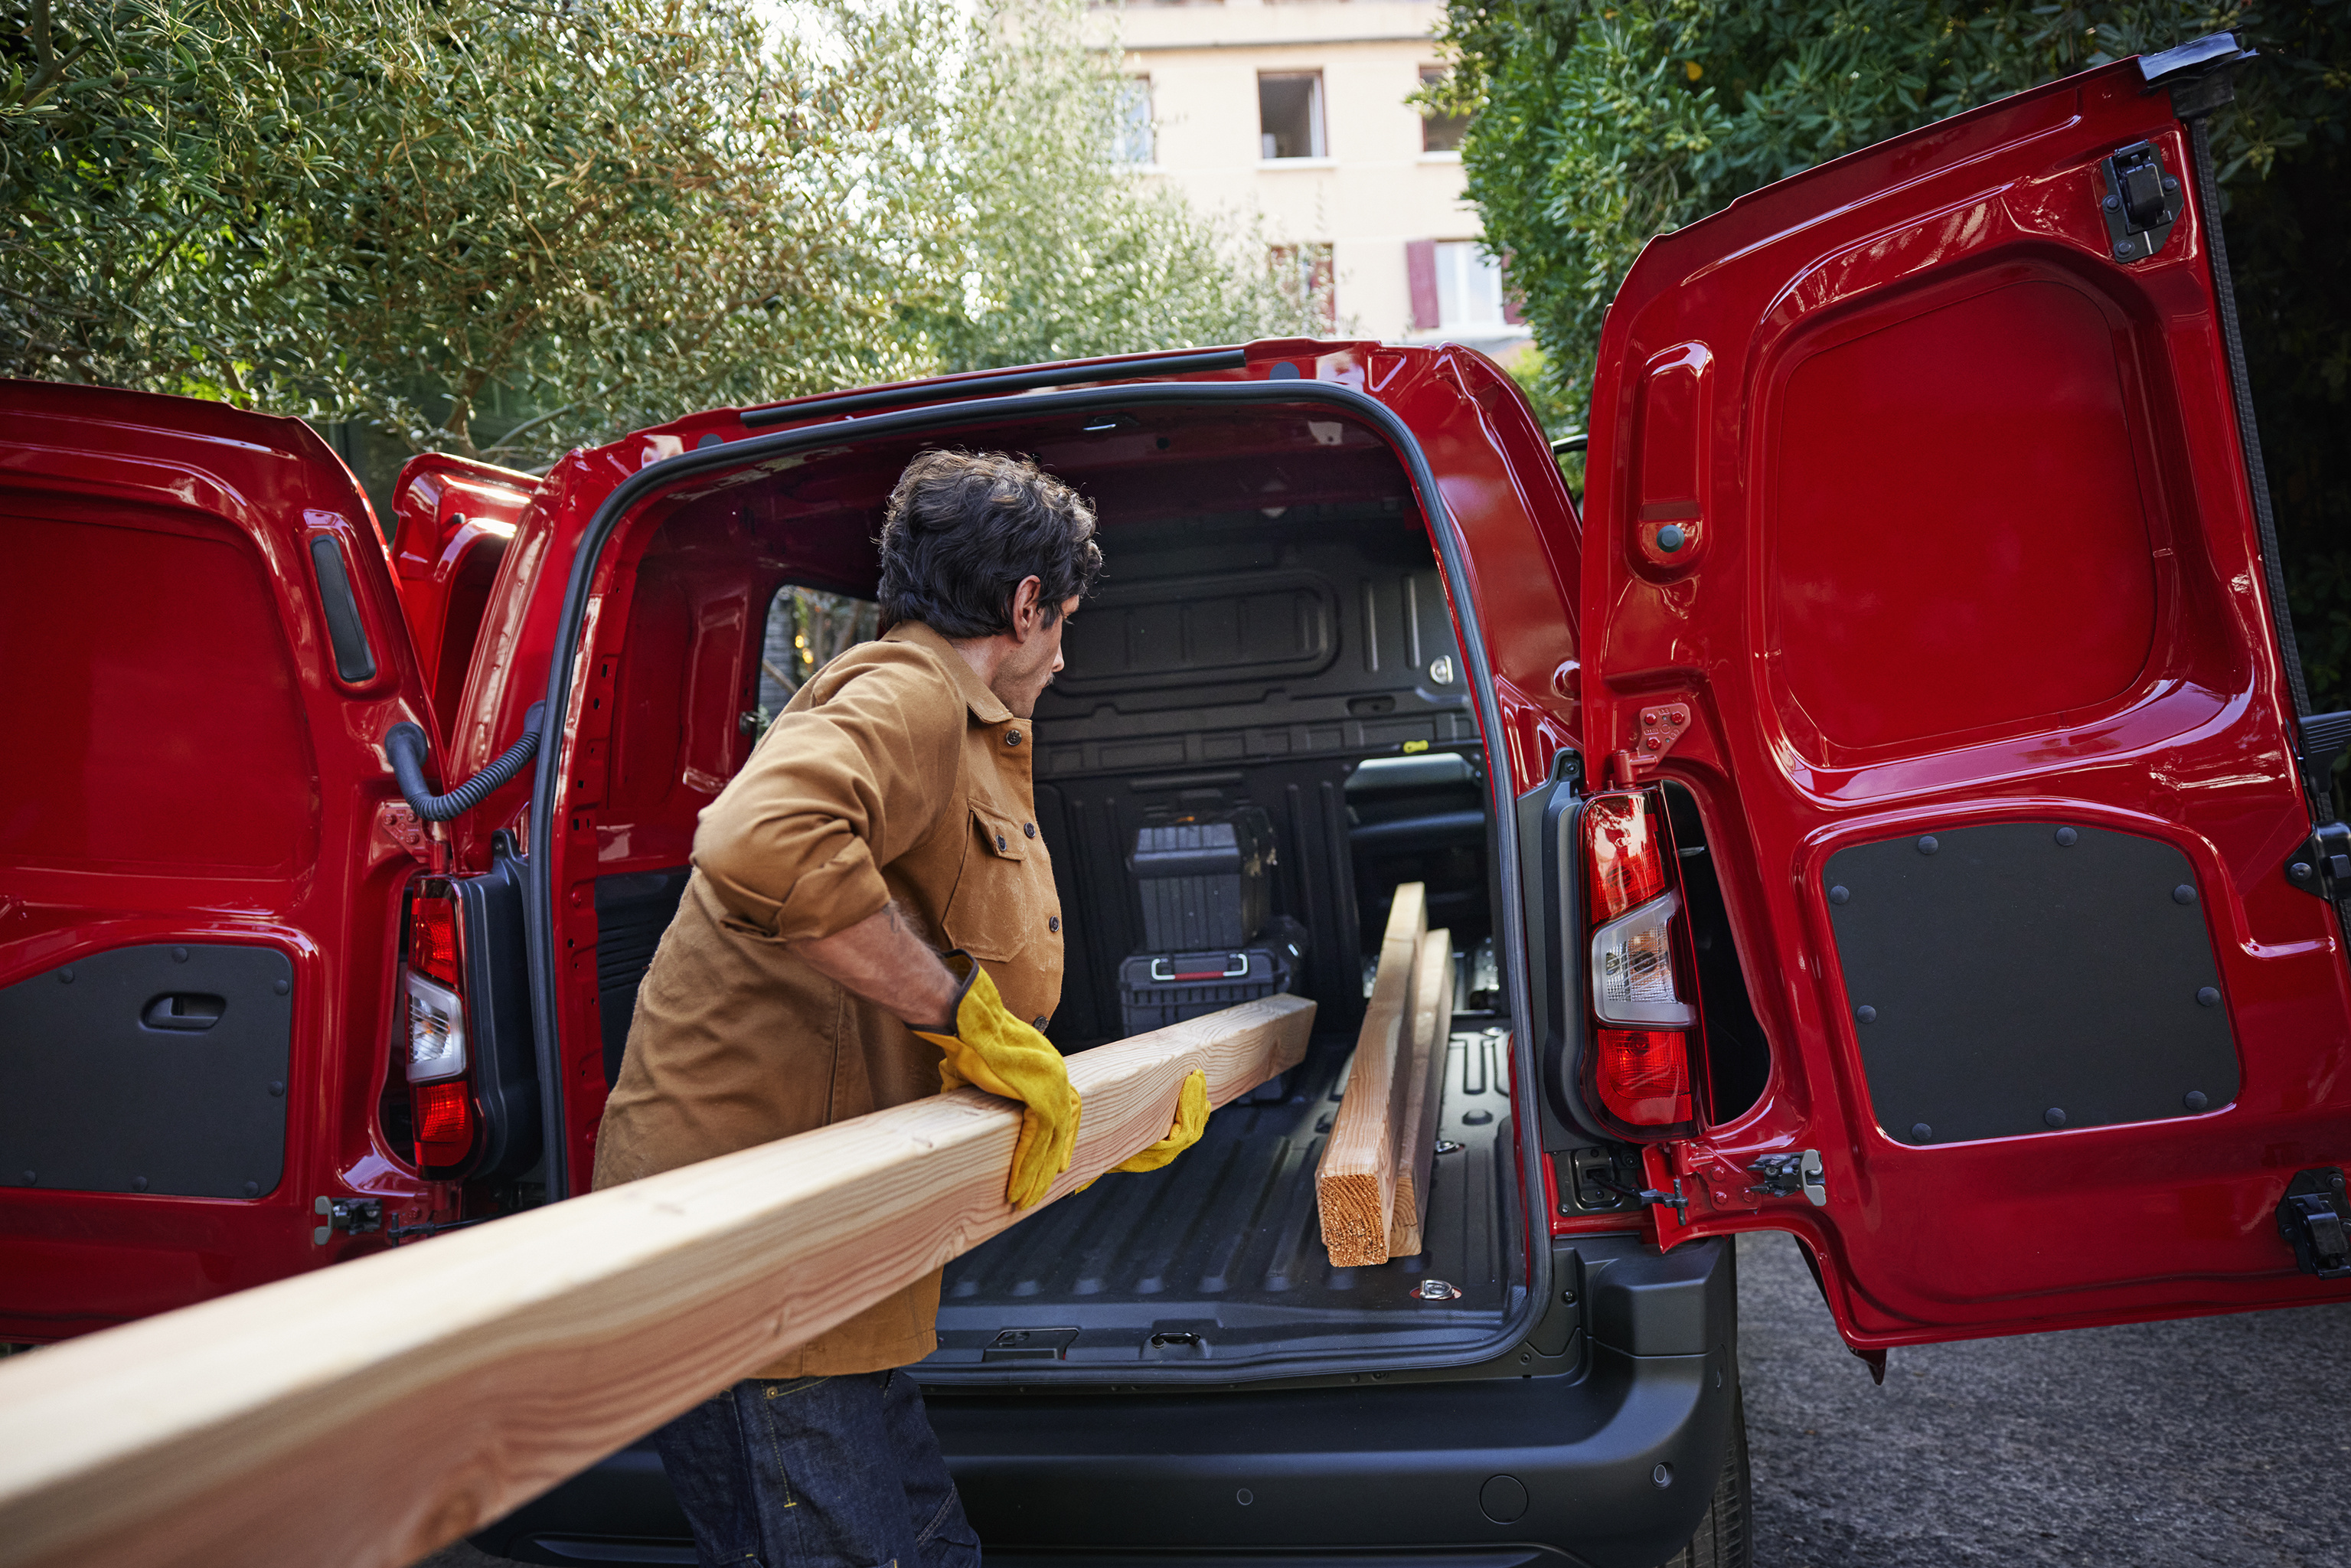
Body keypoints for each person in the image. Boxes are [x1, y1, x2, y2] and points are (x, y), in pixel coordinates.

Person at [592, 448, 1206, 1568]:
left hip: (828, 1263)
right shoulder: (909, 691)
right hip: (751, 1265)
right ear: (1024, 606)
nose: (1064, 656)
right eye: (1062, 621)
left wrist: (1117, 1120)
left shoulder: (954, 719)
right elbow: (757, 840)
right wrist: (961, 1015)